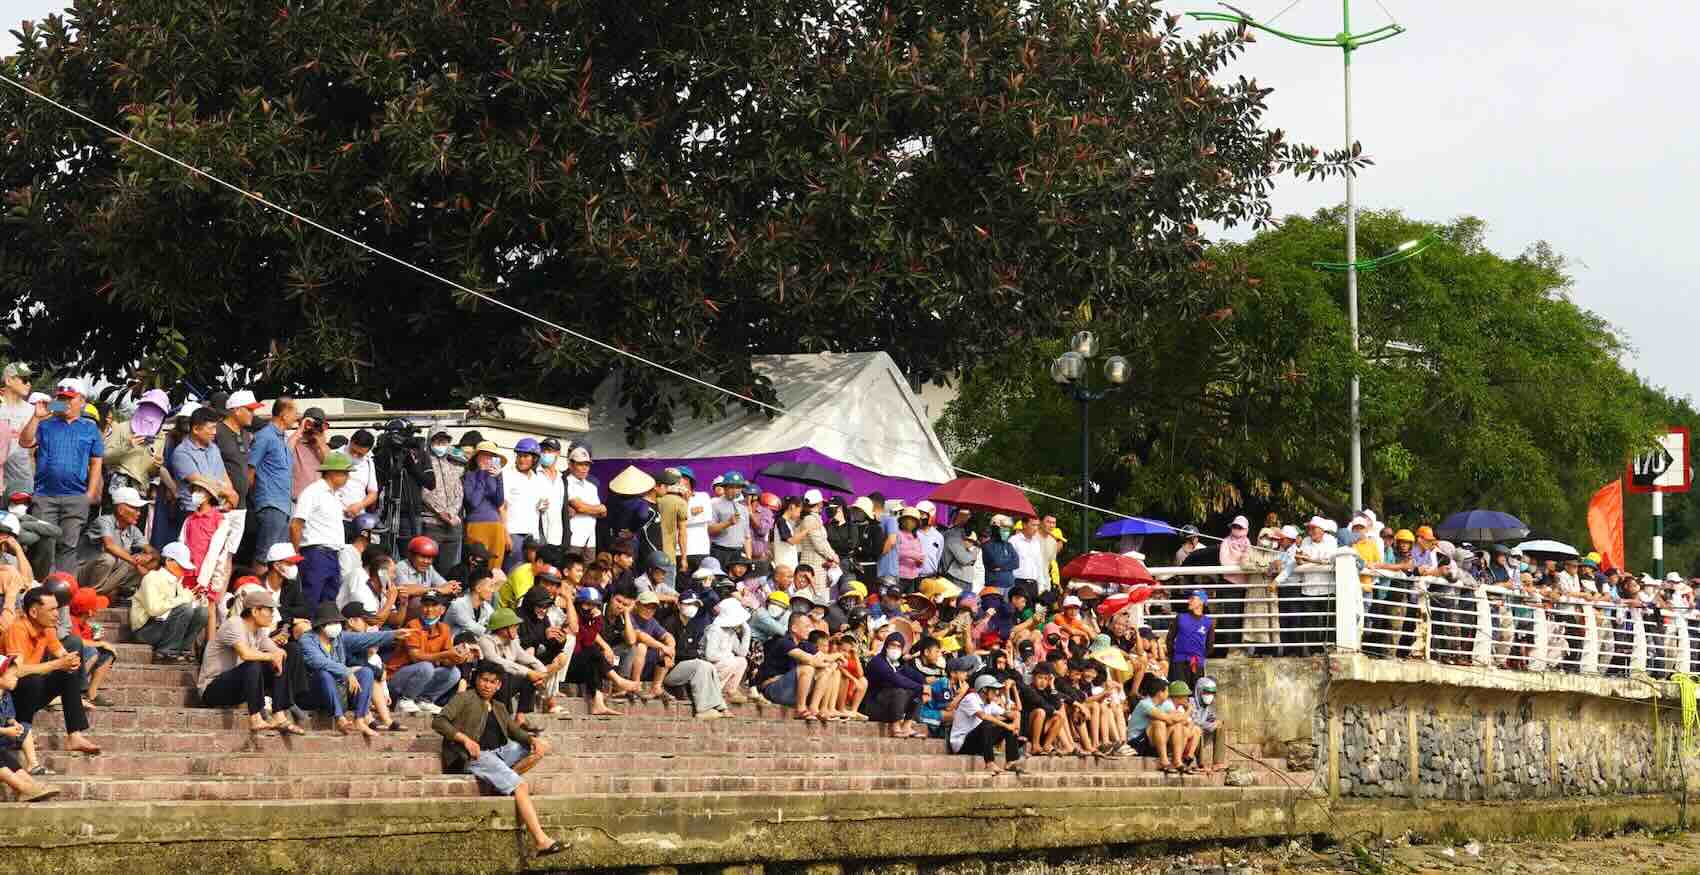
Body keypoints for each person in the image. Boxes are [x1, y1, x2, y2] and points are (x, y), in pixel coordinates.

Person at [432, 661, 565, 857]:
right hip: (473, 756)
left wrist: (534, 740)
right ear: (477, 680)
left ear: (498, 685)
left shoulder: (499, 707)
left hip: (498, 754)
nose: (487, 685)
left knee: (534, 746)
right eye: (484, 680)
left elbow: (515, 731)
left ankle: (501, 783)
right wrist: (465, 740)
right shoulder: (464, 698)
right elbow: (438, 721)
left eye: (492, 682)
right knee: (521, 786)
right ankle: (541, 841)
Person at [3, 585, 100, 754]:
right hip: (8, 697)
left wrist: (71, 661)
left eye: (57, 608)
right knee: (33, 679)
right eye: (52, 609)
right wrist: (57, 664)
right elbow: (17, 671)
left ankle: (75, 735)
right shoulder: (17, 629)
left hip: (32, 690)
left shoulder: (47, 627)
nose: (57, 614)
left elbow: (60, 652)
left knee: (67, 671)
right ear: (34, 612)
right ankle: (23, 734)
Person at [197, 588, 303, 733]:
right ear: (254, 611)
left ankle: (279, 714)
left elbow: (278, 652)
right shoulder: (235, 624)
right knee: (253, 663)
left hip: (237, 689)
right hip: (212, 690)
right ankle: (255, 718)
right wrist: (272, 656)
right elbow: (245, 654)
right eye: (269, 610)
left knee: (277, 661)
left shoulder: (258, 631)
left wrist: (278, 654)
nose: (272, 615)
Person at [29, 378, 104, 575]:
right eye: (61, 398)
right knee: (43, 543)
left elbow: (96, 462)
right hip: (44, 496)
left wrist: (90, 494)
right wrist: (36, 417)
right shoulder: (45, 424)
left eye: (70, 398)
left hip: (76, 497)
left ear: (82, 401)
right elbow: (25, 442)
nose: (65, 402)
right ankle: (41, 587)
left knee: (68, 547)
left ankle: (64, 592)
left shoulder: (90, 428)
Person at [299, 602, 403, 737]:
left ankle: (359, 719)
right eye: (333, 622)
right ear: (321, 624)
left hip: (340, 692)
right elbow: (319, 662)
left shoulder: (339, 637)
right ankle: (340, 719)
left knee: (366, 672)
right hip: (317, 695)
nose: (337, 625)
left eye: (338, 622)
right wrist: (347, 671)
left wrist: (394, 634)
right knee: (324, 674)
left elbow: (365, 638)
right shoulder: (307, 640)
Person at [290, 450, 355, 608]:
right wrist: (296, 554)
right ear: (332, 473)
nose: (348, 477)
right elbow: (296, 524)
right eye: (345, 473)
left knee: (328, 604)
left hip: (331, 554)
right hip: (315, 553)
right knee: (311, 599)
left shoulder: (333, 496)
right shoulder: (312, 492)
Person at [387, 590, 468, 715]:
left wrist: (457, 658)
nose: (429, 610)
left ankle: (424, 700)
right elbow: (416, 657)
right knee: (426, 667)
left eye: (434, 606)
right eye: (426, 605)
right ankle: (404, 700)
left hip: (421, 678)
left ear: (442, 610)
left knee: (454, 673)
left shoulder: (445, 629)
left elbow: (446, 661)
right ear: (421, 608)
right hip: (396, 678)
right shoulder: (413, 625)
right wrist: (446, 655)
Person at [478, 607, 566, 716]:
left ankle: (521, 716)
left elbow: (527, 658)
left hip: (503, 685)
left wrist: (542, 673)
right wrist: (528, 672)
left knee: (530, 677)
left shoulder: (512, 642)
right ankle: (504, 715)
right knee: (505, 674)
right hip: (488, 684)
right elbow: (501, 663)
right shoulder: (486, 641)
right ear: (503, 628)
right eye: (514, 626)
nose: (517, 628)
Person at [131, 541, 208, 663]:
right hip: (146, 630)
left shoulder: (176, 581)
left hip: (164, 626)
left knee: (202, 612)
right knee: (185, 608)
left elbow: (184, 605)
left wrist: (197, 600)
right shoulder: (152, 578)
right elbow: (154, 610)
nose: (184, 570)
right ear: (168, 561)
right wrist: (183, 599)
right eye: (181, 565)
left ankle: (183, 650)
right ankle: (165, 652)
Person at [78, 485, 155, 598]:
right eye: (135, 508)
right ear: (121, 510)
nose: (139, 513)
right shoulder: (104, 521)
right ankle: (91, 595)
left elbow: (153, 552)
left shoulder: (133, 529)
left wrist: (148, 556)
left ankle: (111, 592)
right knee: (108, 559)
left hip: (108, 577)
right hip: (84, 575)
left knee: (149, 562)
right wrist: (135, 562)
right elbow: (109, 546)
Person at [247, 397, 299, 557]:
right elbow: (250, 470)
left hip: (283, 506)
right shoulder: (265, 436)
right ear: (284, 414)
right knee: (265, 555)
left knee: (277, 557)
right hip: (270, 504)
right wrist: (254, 498)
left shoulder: (281, 439)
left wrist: (301, 431)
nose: (296, 417)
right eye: (294, 413)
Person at [949, 674, 1027, 775]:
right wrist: (1007, 726)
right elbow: (983, 716)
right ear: (984, 690)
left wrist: (1015, 721)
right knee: (987, 723)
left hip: (979, 742)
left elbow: (1012, 714)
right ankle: (989, 763)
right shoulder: (971, 698)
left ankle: (1011, 762)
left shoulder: (990, 703)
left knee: (1007, 721)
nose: (997, 692)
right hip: (962, 744)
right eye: (994, 690)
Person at [419, 430, 466, 574]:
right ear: (430, 442)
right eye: (437, 441)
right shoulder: (423, 463)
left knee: (449, 569)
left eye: (444, 441)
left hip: (452, 524)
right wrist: (442, 512)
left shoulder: (453, 465)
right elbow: (425, 492)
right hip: (432, 524)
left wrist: (451, 512)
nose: (441, 445)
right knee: (427, 567)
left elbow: (459, 492)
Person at [1127, 675, 1190, 775]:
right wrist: (1189, 711)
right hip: (1136, 743)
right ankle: (1164, 762)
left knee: (1177, 726)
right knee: (1159, 722)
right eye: (1167, 691)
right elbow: (1169, 719)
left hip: (1149, 742)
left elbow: (1180, 720)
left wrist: (1178, 718)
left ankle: (1177, 761)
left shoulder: (1161, 705)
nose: (1168, 694)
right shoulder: (1145, 704)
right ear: (1160, 693)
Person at [462, 441, 508, 571]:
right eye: (484, 455)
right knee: (476, 565)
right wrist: (482, 474)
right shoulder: (470, 476)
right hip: (476, 524)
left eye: (491, 456)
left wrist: (499, 478)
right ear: (476, 457)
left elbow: (499, 502)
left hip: (496, 525)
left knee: (495, 566)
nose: (487, 459)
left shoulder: (495, 476)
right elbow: (474, 502)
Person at [502, 438, 546, 572]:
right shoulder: (506, 475)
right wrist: (505, 534)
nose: (521, 459)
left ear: (535, 459)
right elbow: (502, 507)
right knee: (512, 573)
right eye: (519, 455)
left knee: (528, 574)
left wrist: (543, 506)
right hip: (513, 534)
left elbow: (539, 504)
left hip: (532, 536)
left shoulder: (537, 478)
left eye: (526, 456)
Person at [215, 389, 263, 512]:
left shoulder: (246, 435)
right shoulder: (216, 432)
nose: (253, 414)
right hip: (222, 503)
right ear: (236, 410)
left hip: (242, 504)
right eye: (249, 410)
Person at [703, 597, 752, 705]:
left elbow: (742, 653)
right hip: (709, 667)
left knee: (742, 661)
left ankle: (730, 690)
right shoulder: (715, 629)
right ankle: (715, 694)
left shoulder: (730, 631)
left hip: (724, 664)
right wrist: (728, 656)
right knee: (731, 661)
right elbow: (710, 655)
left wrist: (747, 631)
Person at [1, 362, 39, 496]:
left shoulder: (33, 409)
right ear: (8, 381)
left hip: (23, 484)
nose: (28, 384)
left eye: (30, 380)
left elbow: (66, 406)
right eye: (24, 380)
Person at [335, 431, 381, 540]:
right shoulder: (333, 455)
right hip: (334, 518)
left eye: (360, 454)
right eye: (353, 451)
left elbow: (373, 493)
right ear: (350, 442)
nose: (355, 456)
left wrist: (360, 505)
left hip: (357, 520)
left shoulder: (368, 463)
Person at [1166, 590, 1215, 690]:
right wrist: (1174, 656)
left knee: (1196, 692)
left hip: (1197, 663)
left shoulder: (1208, 622)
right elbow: (1169, 639)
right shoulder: (1180, 617)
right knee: (1178, 692)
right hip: (1178, 662)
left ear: (1201, 602)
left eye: (1192, 599)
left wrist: (1199, 657)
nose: (1189, 601)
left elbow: (1210, 645)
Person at [564, 445, 605, 561]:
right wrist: (595, 509)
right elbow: (581, 507)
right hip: (573, 540)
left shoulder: (592, 487)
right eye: (580, 464)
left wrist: (585, 509)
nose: (584, 468)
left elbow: (603, 512)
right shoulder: (566, 483)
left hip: (590, 541)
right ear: (570, 465)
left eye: (587, 465)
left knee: (589, 572)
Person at [707, 471, 751, 571]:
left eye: (738, 487)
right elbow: (709, 530)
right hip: (720, 551)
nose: (735, 490)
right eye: (731, 487)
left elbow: (747, 536)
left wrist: (748, 557)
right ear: (724, 487)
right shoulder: (714, 504)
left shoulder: (743, 508)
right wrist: (728, 523)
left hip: (738, 552)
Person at [447, 573, 499, 638]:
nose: (493, 590)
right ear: (478, 588)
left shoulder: (487, 607)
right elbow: (474, 628)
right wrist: (495, 634)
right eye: (490, 586)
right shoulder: (458, 605)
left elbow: (496, 623)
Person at [982, 515, 1019, 595]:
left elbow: (1016, 563)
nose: (1007, 532)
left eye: (1008, 529)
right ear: (995, 529)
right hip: (994, 586)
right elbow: (997, 562)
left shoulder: (1008, 545)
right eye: (1004, 529)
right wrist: (1008, 561)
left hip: (1010, 585)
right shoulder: (987, 546)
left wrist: (1001, 568)